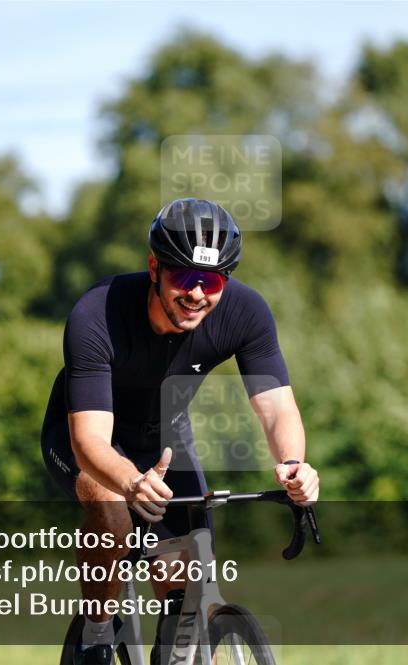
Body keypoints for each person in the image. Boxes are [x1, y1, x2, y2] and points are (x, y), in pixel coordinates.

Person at [41, 198, 319, 665]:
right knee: (112, 510)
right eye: (183, 278)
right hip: (89, 440)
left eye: (210, 281)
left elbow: (276, 408)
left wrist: (293, 464)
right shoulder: (96, 314)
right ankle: (94, 636)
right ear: (154, 268)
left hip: (165, 443)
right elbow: (89, 439)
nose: (196, 294)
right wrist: (130, 482)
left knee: (185, 582)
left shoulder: (245, 312)